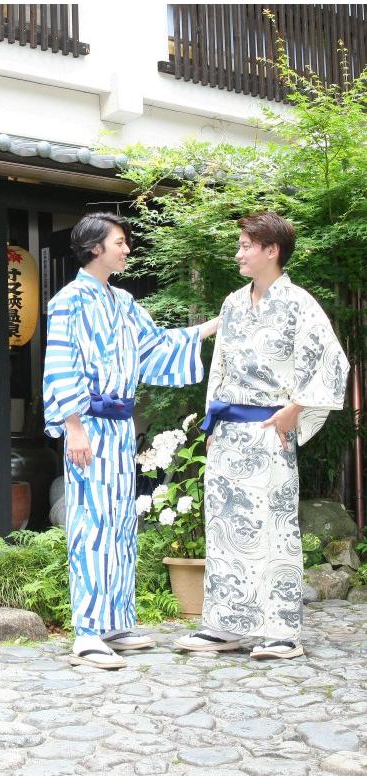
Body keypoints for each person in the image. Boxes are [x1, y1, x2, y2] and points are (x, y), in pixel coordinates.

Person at [43, 212, 219, 669]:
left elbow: (156, 347)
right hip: (89, 423)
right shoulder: (68, 301)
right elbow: (61, 362)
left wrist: (213, 326)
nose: (126, 249)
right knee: (91, 522)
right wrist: (74, 427)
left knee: (120, 520)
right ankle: (86, 631)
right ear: (95, 247)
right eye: (119, 242)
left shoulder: (122, 301)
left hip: (120, 428)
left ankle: (115, 622)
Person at [175, 212, 349, 660]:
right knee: (226, 529)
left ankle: (281, 631)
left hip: (271, 431)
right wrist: (212, 422)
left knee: (273, 529)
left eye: (246, 246)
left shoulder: (299, 303)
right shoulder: (234, 303)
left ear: (271, 250)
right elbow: (221, 368)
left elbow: (331, 360)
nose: (239, 253)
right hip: (230, 433)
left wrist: (298, 407)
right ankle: (224, 625)